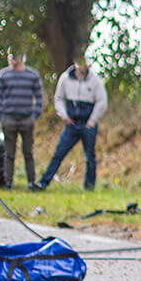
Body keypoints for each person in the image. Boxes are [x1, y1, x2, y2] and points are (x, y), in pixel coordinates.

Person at [34, 55, 107, 191]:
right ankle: (44, 183)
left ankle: (89, 187)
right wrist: (65, 116)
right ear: (75, 63)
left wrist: (92, 121)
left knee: (89, 156)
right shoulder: (65, 78)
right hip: (71, 124)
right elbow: (59, 99)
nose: (83, 67)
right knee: (59, 153)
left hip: (88, 124)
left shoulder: (95, 81)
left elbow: (102, 102)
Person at [0, 50, 44, 189]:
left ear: (22, 58)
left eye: (15, 58)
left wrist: (34, 116)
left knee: (28, 152)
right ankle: (8, 182)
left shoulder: (32, 75)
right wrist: (0, 117)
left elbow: (39, 98)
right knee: (9, 153)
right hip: (9, 119)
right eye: (11, 58)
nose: (13, 61)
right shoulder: (4, 75)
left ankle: (31, 182)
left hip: (27, 119)